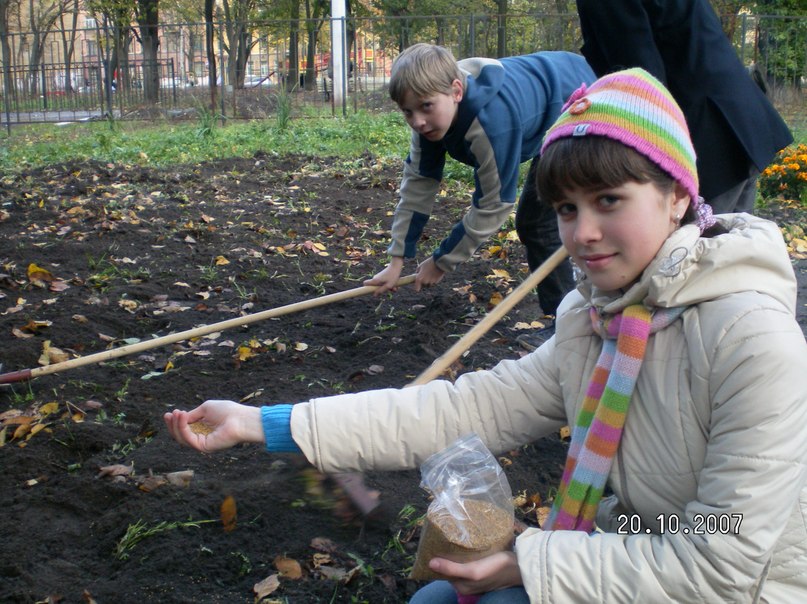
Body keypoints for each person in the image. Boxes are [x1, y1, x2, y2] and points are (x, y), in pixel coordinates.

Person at [164, 68, 807, 602]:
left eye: (608, 200)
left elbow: (722, 556)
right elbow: (465, 408)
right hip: (643, 541)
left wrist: (531, 560)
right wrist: (264, 424)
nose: (581, 234)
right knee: (440, 598)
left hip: (744, 585)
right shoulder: (597, 323)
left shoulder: (749, 340)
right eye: (566, 208)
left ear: (675, 196)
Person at [362, 43, 595, 332]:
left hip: (583, 104)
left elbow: (495, 203)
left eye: (425, 106)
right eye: (407, 112)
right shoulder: (430, 120)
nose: (418, 121)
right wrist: (397, 259)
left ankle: (568, 327)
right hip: (547, 109)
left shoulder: (491, 123)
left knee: (538, 224)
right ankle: (564, 321)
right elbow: (418, 185)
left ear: (456, 91)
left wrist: (441, 261)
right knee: (537, 225)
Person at [575, 0, 793, 214]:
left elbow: (643, 83)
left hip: (708, 140)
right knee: (736, 245)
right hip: (741, 120)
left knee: (693, 246)